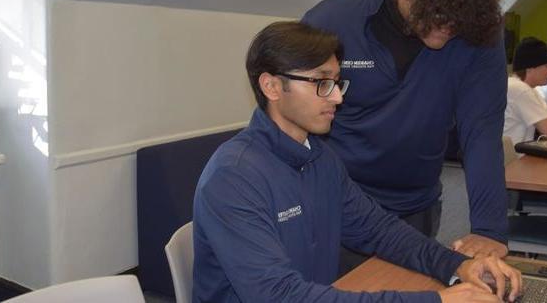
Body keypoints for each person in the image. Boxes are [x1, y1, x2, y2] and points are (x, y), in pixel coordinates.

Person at [192, 21, 521, 303]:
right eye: (322, 83)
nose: (337, 97)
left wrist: (456, 266)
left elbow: (379, 231)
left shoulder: (320, 157)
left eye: (337, 82)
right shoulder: (234, 177)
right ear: (272, 86)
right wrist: (433, 300)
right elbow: (280, 296)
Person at [302, 0, 509, 267]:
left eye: (458, 25)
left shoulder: (479, 31)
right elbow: (292, 118)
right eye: (439, 16)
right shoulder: (333, 21)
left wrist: (489, 230)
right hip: (338, 205)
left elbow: (482, 129)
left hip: (415, 206)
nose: (447, 31)